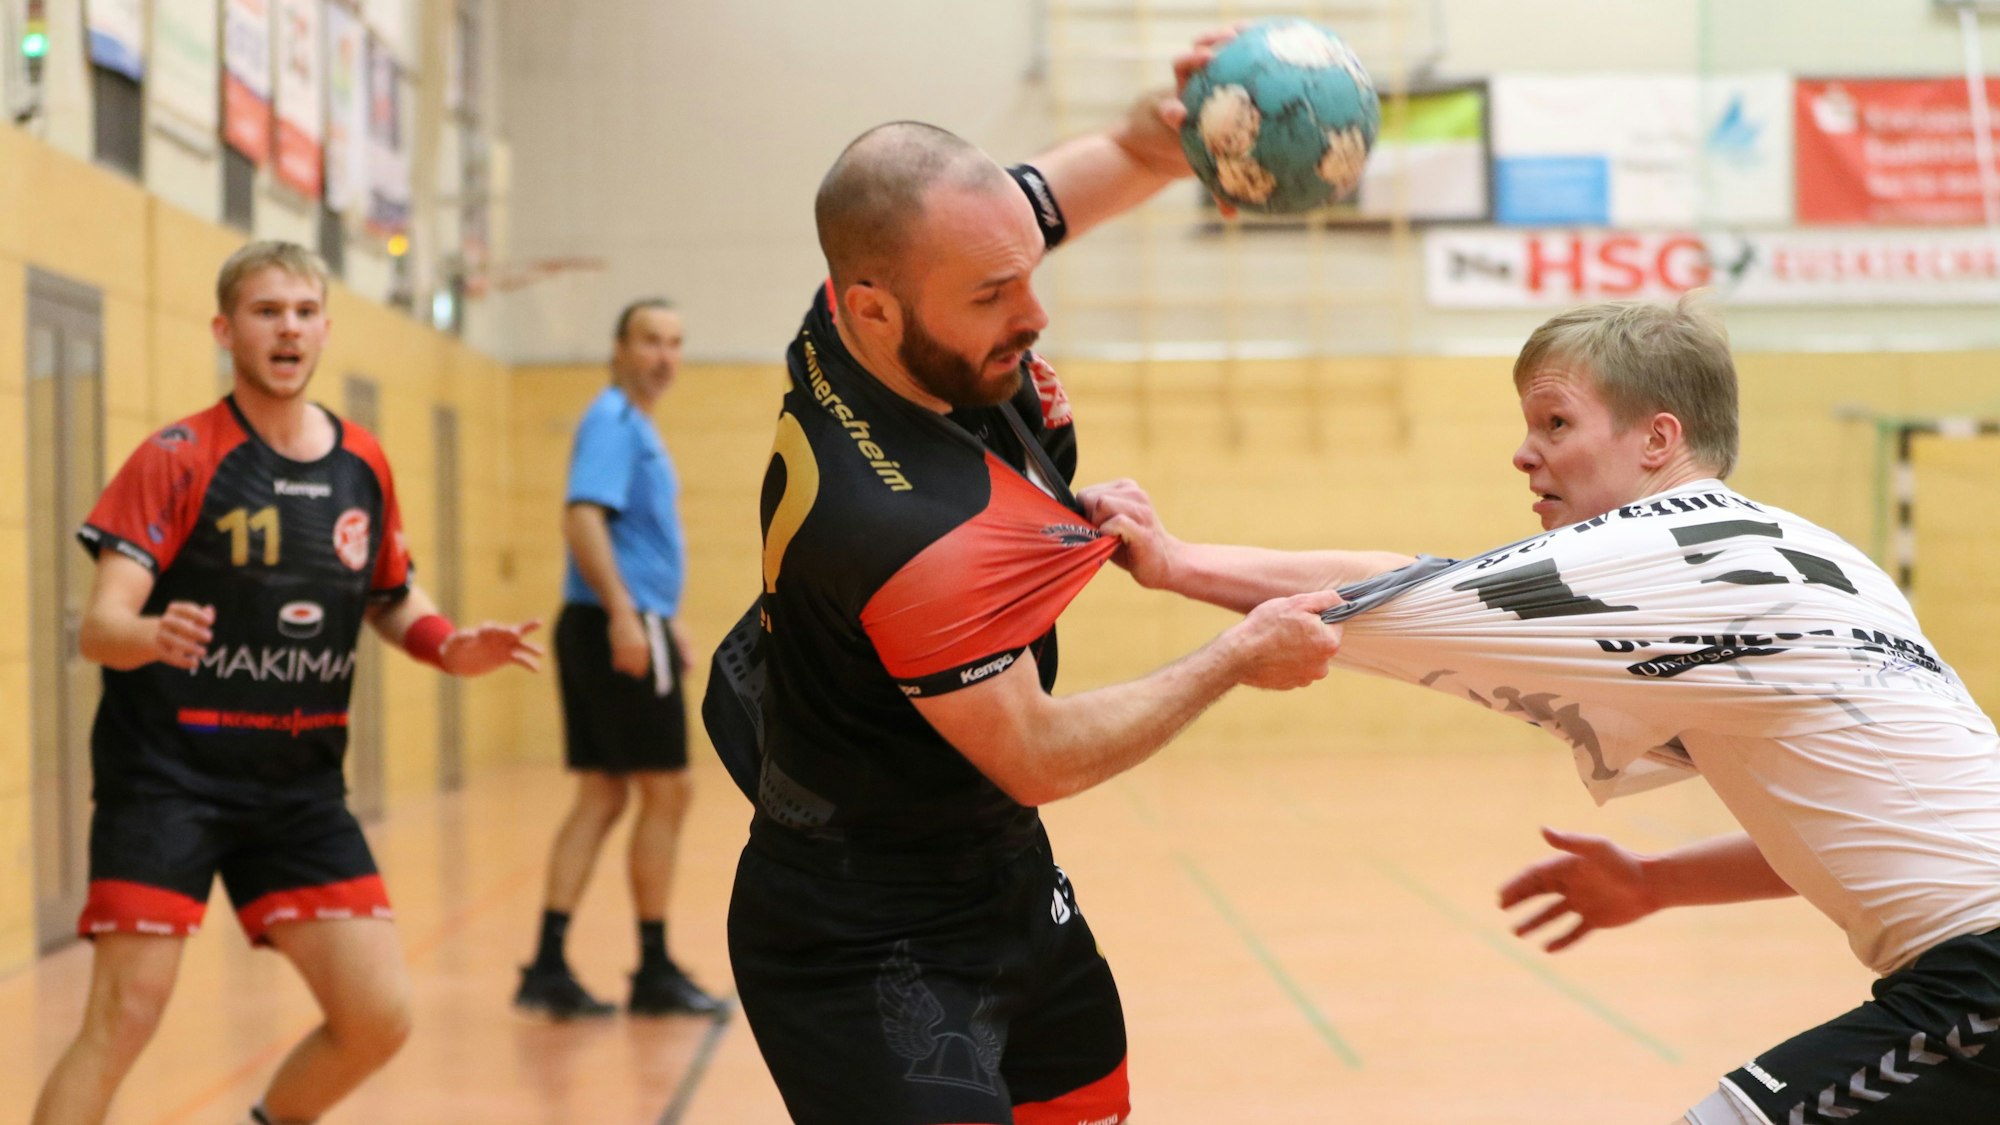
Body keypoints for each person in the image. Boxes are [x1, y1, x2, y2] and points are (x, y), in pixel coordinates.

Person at [1081, 295, 2000, 1125]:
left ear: (1658, 440)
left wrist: (1176, 562)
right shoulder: (1816, 553)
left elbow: (1397, 587)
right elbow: (1834, 820)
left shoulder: (1657, 547)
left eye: (1556, 423)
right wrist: (1655, 882)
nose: (1525, 453)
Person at [706, 34, 1347, 1125]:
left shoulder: (868, 311)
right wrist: (1235, 655)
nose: (1032, 311)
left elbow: (1051, 193)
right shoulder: (910, 524)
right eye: (994, 293)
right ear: (870, 305)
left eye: (1029, 272)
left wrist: (1160, 141)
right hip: (859, 935)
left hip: (994, 869)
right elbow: (1038, 754)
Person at [33, 240, 543, 1125]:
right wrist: (152, 632)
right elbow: (98, 628)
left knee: (377, 1017)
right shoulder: (179, 456)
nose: (288, 329)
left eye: (304, 312)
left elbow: (390, 592)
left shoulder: (363, 465)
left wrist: (446, 643)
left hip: (297, 789)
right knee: (124, 1019)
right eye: (268, 312)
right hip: (168, 782)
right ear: (227, 330)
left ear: (326, 331)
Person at [513, 298, 722, 1019]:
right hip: (612, 624)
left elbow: (632, 540)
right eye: (650, 341)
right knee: (669, 790)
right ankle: (655, 967)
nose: (664, 356)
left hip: (619, 620)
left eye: (675, 341)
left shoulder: (635, 426)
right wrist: (629, 617)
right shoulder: (612, 420)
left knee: (605, 794)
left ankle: (547, 961)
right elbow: (581, 518)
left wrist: (659, 618)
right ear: (619, 347)